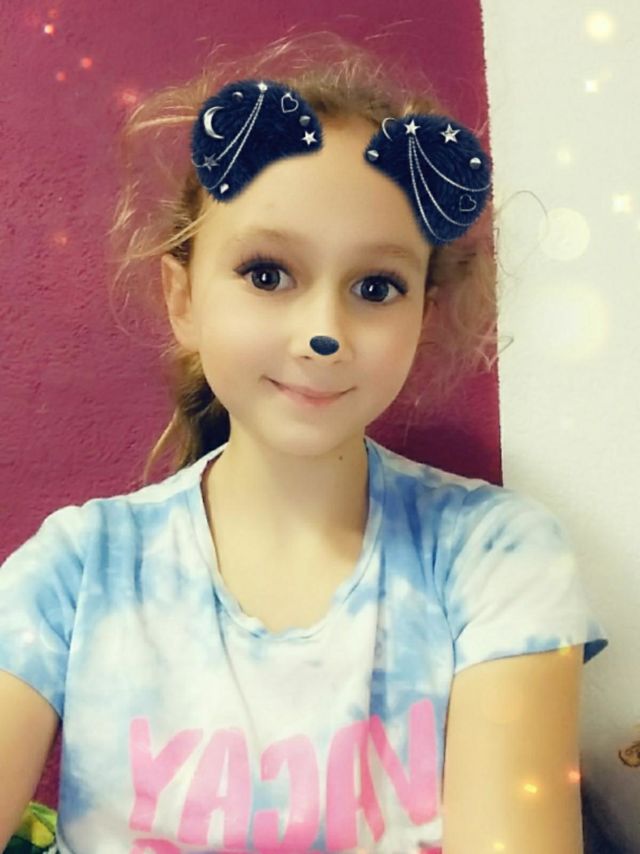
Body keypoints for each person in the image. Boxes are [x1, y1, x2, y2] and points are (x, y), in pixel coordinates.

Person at [0, 30, 609, 854]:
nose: (324, 332)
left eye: (376, 286)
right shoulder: (74, 572)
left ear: (422, 317)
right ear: (183, 299)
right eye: (267, 273)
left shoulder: (496, 558)